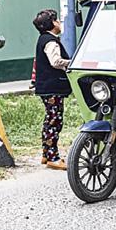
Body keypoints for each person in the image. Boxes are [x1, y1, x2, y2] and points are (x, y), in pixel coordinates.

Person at [32, 9, 71, 170]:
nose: (60, 23)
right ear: (53, 23)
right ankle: (53, 157)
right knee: (55, 121)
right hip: (53, 86)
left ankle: (46, 153)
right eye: (58, 20)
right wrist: (71, 62)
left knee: (50, 120)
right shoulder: (51, 41)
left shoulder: (43, 39)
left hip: (46, 86)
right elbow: (55, 61)